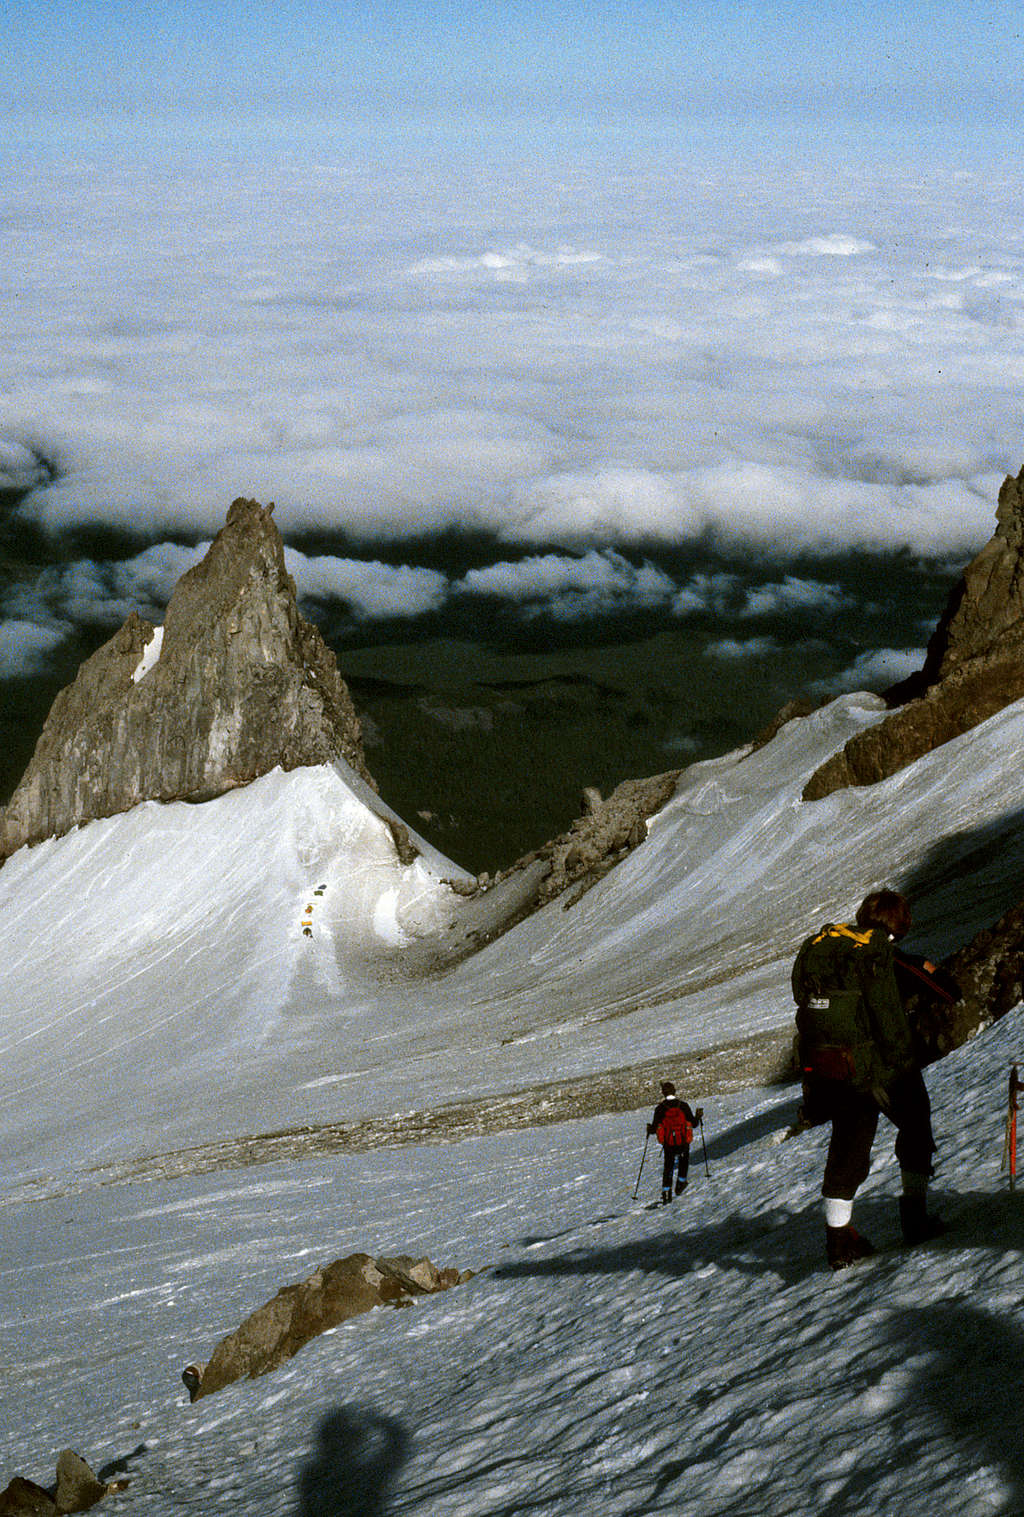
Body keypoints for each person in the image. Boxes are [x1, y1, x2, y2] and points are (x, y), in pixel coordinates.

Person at [792, 888, 945, 1270]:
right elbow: (933, 997)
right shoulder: (884, 958)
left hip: (836, 1067)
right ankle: (915, 1218)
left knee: (848, 1145)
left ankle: (839, 1244)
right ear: (901, 924)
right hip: (879, 1067)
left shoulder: (830, 947)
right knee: (916, 1123)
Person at [647, 1082, 702, 1204]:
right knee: (684, 1161)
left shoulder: (660, 1108)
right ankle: (680, 1184)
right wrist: (698, 1116)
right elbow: (694, 1124)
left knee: (668, 1166)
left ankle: (666, 1193)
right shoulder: (683, 1105)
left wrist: (649, 1128)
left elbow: (654, 1129)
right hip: (683, 1141)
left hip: (668, 1143)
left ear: (663, 1093)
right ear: (674, 1091)